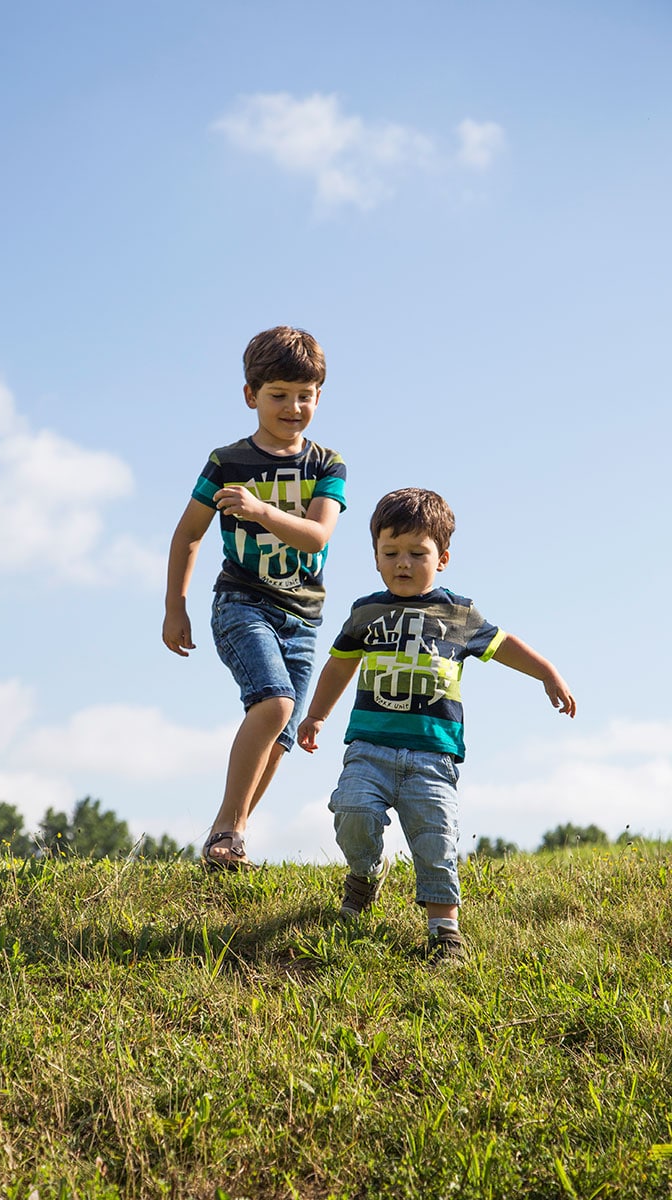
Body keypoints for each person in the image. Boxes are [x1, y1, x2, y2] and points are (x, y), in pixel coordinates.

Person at [297, 487, 575, 960]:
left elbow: (504, 645)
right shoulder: (366, 613)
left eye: (416, 553)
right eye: (391, 553)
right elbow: (340, 664)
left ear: (442, 558)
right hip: (369, 747)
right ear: (376, 559)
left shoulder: (459, 615)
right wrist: (318, 714)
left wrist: (546, 672)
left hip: (433, 755)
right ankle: (364, 876)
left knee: (436, 836)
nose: (402, 563)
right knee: (353, 812)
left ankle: (444, 930)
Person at [163, 326, 347, 869]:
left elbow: (317, 535)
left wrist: (261, 510)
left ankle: (232, 837)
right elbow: (188, 533)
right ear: (251, 395)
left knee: (283, 734)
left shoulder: (327, 465)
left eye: (304, 396)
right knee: (275, 703)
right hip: (242, 603)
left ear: (319, 396)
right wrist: (177, 605)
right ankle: (225, 825)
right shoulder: (226, 462)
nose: (293, 407)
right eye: (278, 395)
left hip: (304, 616)